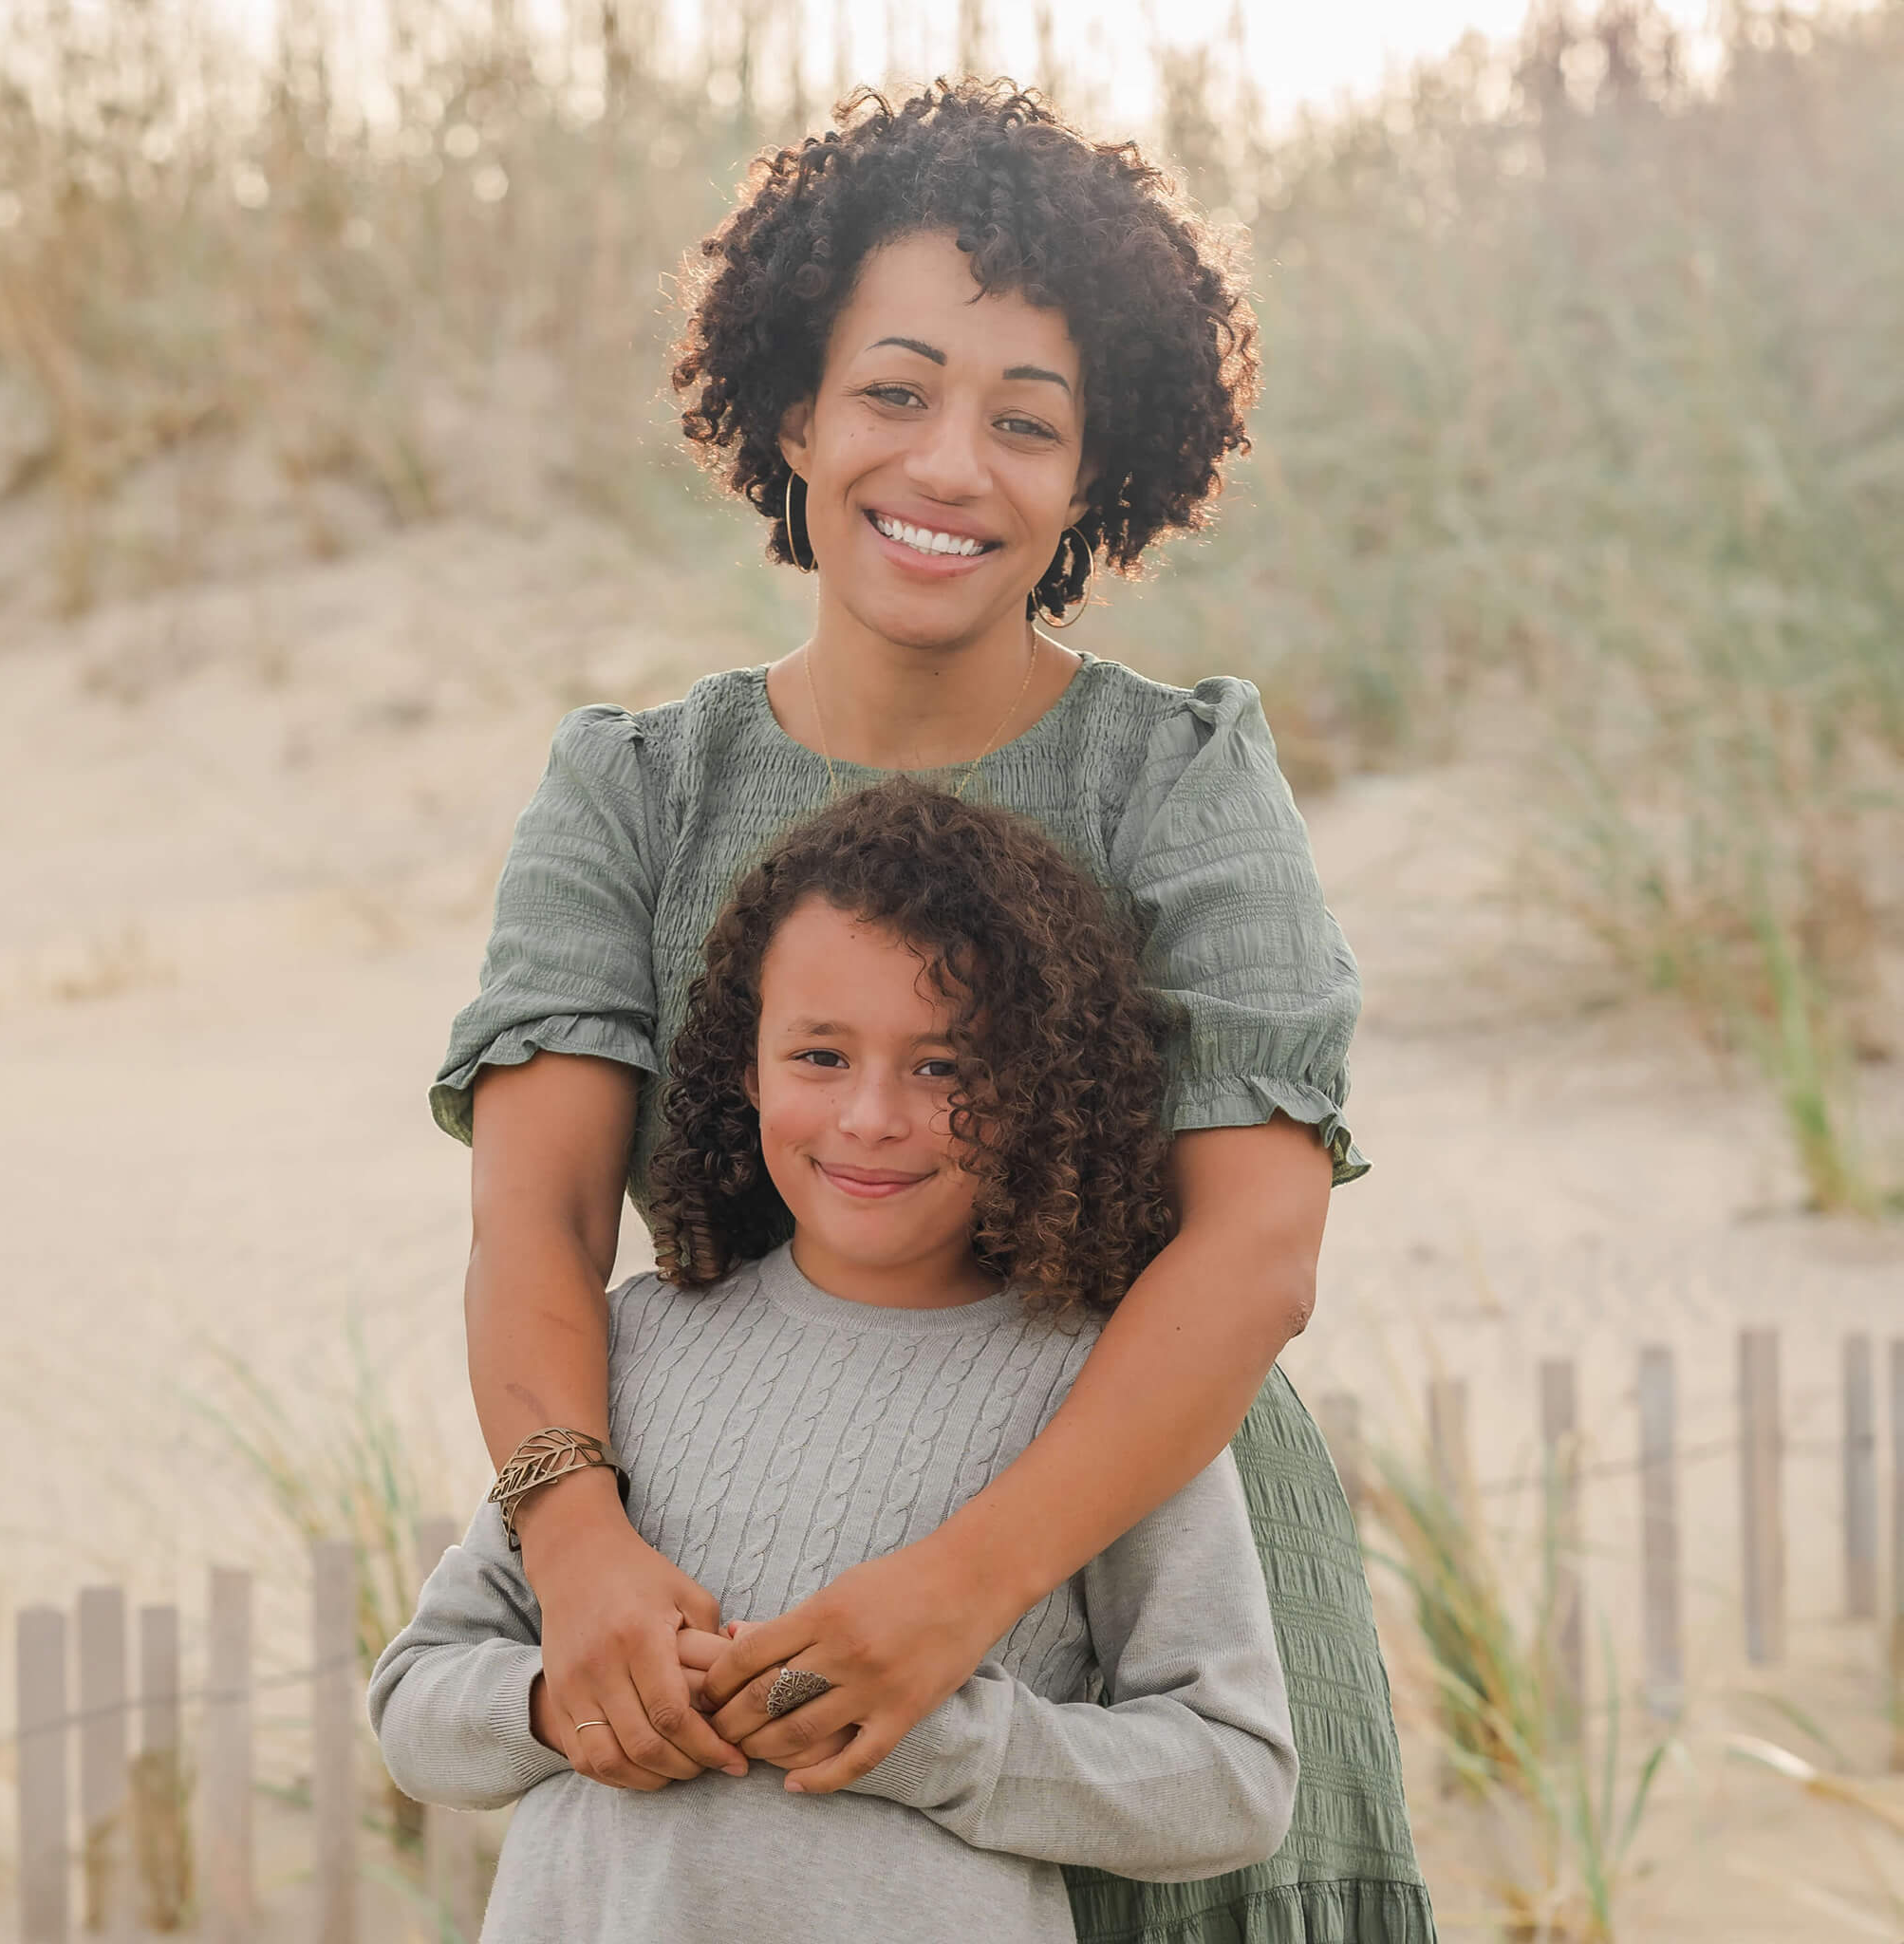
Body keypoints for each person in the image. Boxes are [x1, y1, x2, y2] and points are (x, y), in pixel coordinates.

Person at [434, 78, 1432, 1941]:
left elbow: (1257, 1246)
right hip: (739, 1622)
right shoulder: (635, 791)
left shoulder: (1176, 777)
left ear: (1094, 469)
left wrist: (965, 1590)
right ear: (792, 412)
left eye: (1024, 421)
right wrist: (573, 1542)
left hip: (1149, 1632)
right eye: (895, 392)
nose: (951, 465)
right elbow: (539, 1214)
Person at [374, 782, 1300, 1942]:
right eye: (818, 1053)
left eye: (943, 1065)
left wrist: (939, 1740)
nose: (870, 1115)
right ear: (746, 1068)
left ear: (1038, 1089)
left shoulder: (1100, 1397)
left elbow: (1231, 1779)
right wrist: (570, 1706)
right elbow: (415, 1697)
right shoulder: (630, 1349)